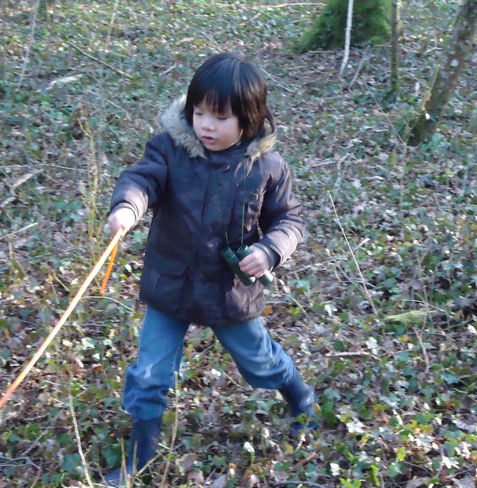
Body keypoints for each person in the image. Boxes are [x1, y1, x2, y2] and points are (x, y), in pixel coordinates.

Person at [104, 52, 317, 485]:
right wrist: (129, 207)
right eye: (199, 112)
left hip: (228, 291)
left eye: (219, 118)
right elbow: (142, 178)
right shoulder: (170, 149)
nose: (205, 125)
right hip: (171, 285)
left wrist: (271, 249)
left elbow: (290, 220)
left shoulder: (267, 168)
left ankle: (301, 398)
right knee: (149, 373)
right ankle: (141, 455)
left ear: (250, 120)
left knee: (260, 364)